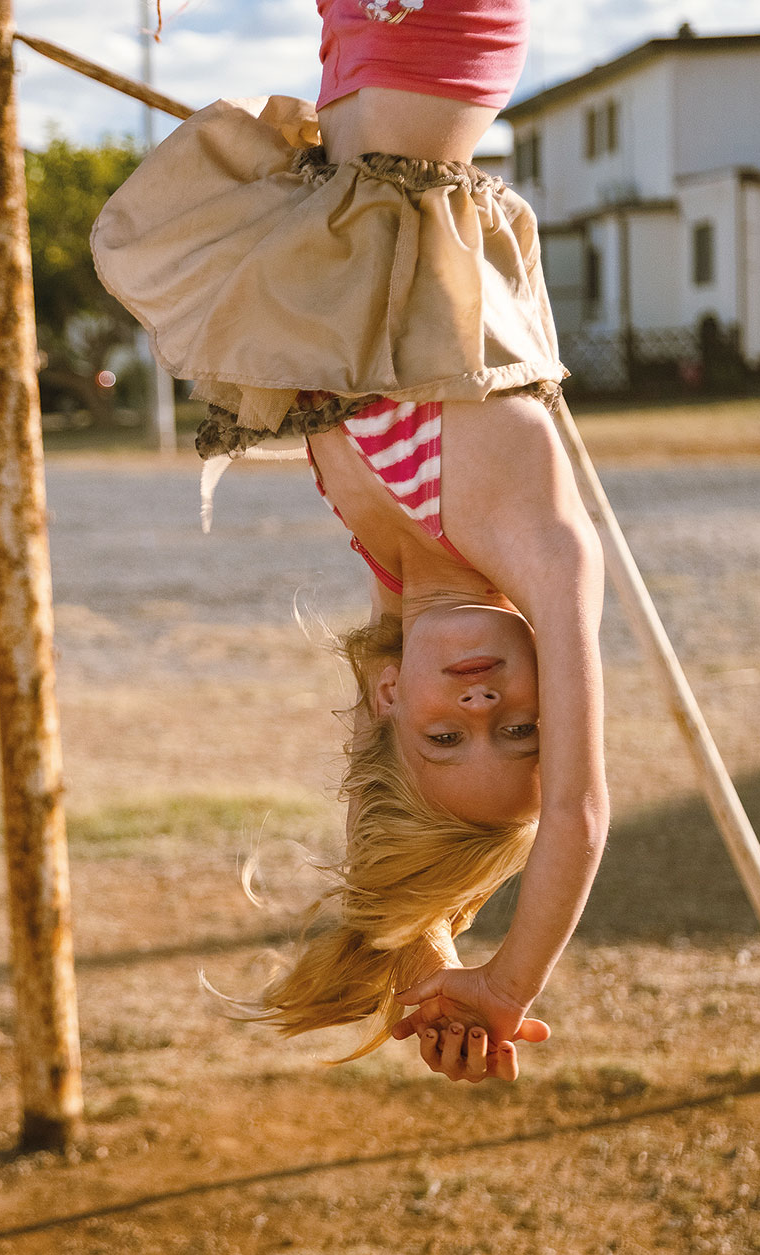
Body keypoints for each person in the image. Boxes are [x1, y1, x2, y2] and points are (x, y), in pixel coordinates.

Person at [93, 0, 608, 1081]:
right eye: (522, 727)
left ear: (388, 701)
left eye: (446, 739)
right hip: (437, 38)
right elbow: (580, 809)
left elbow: (387, 818)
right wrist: (507, 982)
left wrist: (425, 944)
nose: (483, 709)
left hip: (355, 49)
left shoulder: (395, 571)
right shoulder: (544, 553)